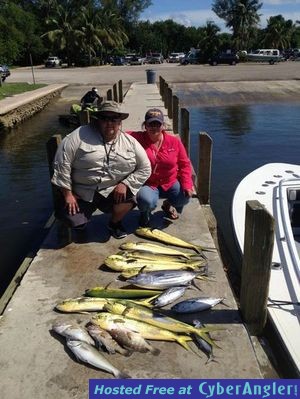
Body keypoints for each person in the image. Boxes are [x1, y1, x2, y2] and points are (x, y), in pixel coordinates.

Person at [51, 101, 151, 238]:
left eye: (114, 119)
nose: (109, 123)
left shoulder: (130, 142)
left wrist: (126, 183)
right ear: (97, 120)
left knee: (130, 196)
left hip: (112, 190)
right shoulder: (76, 137)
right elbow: (61, 165)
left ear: (120, 122)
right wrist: (68, 194)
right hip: (82, 191)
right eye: (105, 118)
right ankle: (80, 221)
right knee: (72, 218)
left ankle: (114, 223)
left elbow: (145, 168)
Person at [128, 108, 194, 227]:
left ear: (162, 125)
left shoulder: (174, 142)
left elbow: (185, 164)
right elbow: (117, 133)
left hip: (170, 181)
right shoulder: (136, 138)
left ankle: (167, 205)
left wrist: (187, 184)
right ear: (145, 125)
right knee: (146, 200)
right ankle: (145, 212)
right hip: (148, 183)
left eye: (157, 124)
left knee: (184, 197)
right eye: (150, 124)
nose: (154, 128)